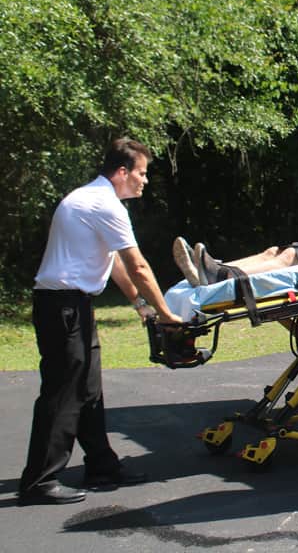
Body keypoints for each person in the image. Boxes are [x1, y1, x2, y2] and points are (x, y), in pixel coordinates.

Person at [18, 138, 183, 506]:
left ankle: (102, 466)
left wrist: (141, 304)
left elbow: (115, 264)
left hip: (72, 304)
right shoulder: (105, 204)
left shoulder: (92, 198)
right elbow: (139, 266)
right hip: (62, 306)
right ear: (122, 172)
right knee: (62, 392)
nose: (145, 181)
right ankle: (39, 480)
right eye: (141, 173)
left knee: (88, 390)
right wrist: (169, 317)